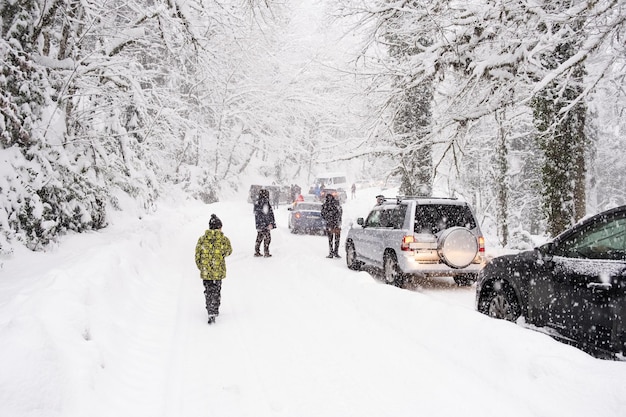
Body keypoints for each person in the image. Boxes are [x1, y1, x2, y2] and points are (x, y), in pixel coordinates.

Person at [195, 214, 232, 325]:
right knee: (216, 290)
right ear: (218, 227)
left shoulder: (202, 239)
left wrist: (201, 267)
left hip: (206, 271)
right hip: (218, 271)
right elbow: (229, 251)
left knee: (208, 290)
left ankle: (210, 309)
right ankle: (215, 308)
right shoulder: (223, 239)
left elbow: (197, 255)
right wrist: (221, 254)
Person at [254, 189, 276, 257]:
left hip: (259, 224)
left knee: (259, 237)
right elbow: (268, 214)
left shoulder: (257, 202)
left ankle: (257, 251)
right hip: (265, 224)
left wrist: (259, 223)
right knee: (267, 238)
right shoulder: (265, 202)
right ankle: (266, 252)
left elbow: (256, 213)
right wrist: (270, 223)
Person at [321, 194, 343, 258]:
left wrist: (328, 218)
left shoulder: (326, 205)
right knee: (336, 239)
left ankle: (331, 252)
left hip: (330, 224)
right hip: (336, 224)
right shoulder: (336, 204)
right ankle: (335, 252)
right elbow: (340, 212)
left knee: (331, 239)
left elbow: (323, 214)